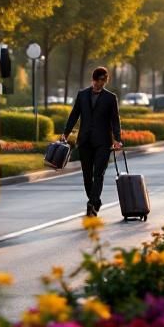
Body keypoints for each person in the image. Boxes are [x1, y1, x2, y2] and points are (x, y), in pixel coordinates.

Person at [59, 66, 123, 216]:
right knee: (87, 175)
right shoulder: (82, 95)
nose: (101, 83)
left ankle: (91, 203)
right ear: (93, 79)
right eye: (99, 80)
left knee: (98, 173)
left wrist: (117, 139)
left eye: (103, 80)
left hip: (103, 142)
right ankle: (95, 201)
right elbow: (74, 115)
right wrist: (66, 133)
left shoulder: (110, 98)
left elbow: (115, 120)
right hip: (85, 141)